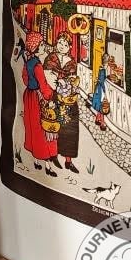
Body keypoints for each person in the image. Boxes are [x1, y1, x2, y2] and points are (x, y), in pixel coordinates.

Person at [19, 30, 58, 176]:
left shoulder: (28, 63)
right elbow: (44, 86)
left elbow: (25, 79)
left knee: (31, 127)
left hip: (28, 96)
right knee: (42, 129)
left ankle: (35, 161)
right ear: (35, 47)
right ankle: (48, 166)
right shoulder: (37, 66)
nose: (43, 46)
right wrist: (51, 96)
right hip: (37, 98)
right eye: (41, 44)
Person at [44, 32, 80, 172]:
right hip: (54, 96)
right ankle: (52, 155)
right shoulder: (51, 58)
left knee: (70, 129)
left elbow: (73, 79)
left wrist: (70, 85)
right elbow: (48, 77)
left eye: (65, 44)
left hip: (68, 99)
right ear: (56, 43)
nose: (62, 46)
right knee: (53, 126)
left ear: (70, 46)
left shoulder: (72, 62)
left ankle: (68, 160)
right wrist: (59, 82)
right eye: (60, 42)